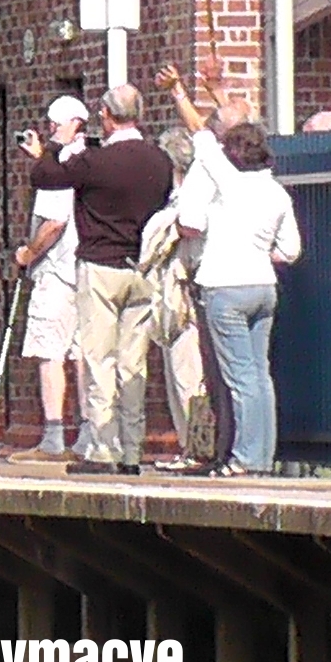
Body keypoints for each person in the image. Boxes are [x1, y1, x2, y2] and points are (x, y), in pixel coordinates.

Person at [27, 82, 174, 475]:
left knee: (97, 360)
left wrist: (56, 144)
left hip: (100, 266)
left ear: (106, 117)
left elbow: (46, 176)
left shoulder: (95, 162)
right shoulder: (160, 161)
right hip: (142, 268)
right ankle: (131, 450)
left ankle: (102, 449)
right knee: (133, 364)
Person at [165, 72, 302, 477]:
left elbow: (203, 139)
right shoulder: (277, 192)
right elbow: (291, 250)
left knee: (238, 377)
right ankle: (262, 456)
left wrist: (179, 93)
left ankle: (244, 459)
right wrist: (260, 252)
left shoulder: (227, 180)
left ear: (234, 155)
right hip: (264, 286)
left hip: (225, 286)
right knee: (260, 375)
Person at [7, 96, 88, 463]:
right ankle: (88, 435)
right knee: (84, 353)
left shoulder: (57, 171)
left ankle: (54, 438)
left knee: (50, 352)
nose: (51, 129)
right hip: (86, 270)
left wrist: (28, 253)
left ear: (73, 124)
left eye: (57, 124)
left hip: (56, 271)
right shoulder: (89, 162)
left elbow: (54, 223)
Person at [137, 126, 218, 473]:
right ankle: (193, 445)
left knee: (189, 376)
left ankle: (197, 449)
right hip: (184, 297)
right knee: (184, 374)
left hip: (185, 298)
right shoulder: (182, 199)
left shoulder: (188, 202)